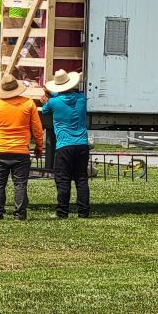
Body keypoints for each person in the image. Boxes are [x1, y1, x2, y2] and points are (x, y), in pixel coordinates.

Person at [0, 73, 44, 220]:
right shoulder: (28, 104)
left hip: (1, 150)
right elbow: (37, 129)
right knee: (20, 184)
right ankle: (19, 214)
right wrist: (39, 147)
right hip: (21, 151)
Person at [39, 69, 90, 219]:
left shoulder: (53, 102)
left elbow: (46, 109)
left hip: (64, 146)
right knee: (81, 179)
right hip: (82, 144)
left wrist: (47, 97)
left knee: (63, 179)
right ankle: (84, 212)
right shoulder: (81, 99)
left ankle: (62, 212)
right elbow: (67, 96)